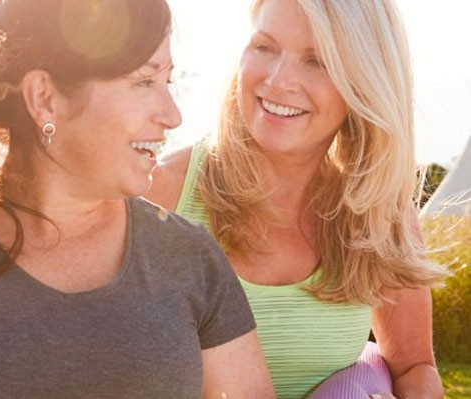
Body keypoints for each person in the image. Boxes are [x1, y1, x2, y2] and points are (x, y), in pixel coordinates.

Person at [0, 0, 275, 397]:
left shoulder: (189, 256)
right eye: (143, 82)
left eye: (168, 80)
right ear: (44, 98)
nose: (171, 113)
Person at [147, 0, 448, 398]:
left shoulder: (379, 216)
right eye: (265, 47)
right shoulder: (160, 193)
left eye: (317, 61)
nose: (277, 80)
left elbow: (413, 366)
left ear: (363, 84)